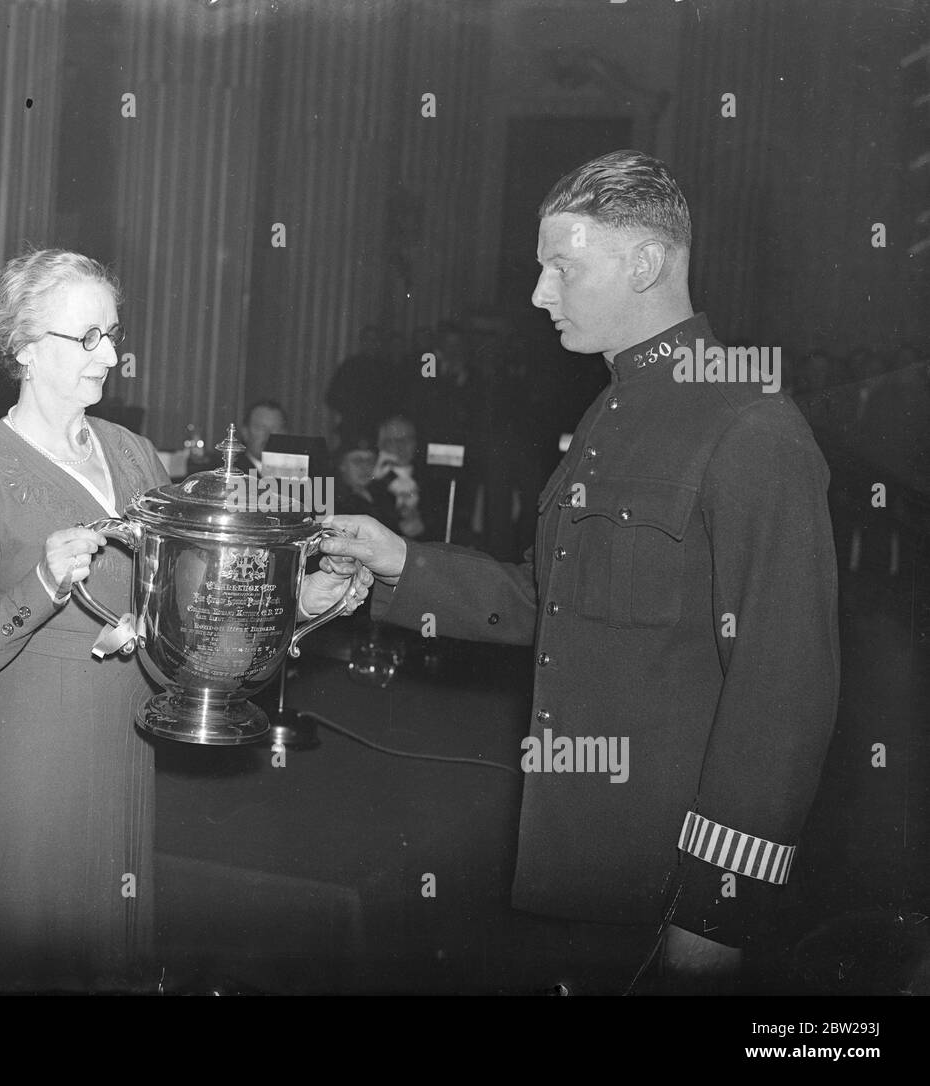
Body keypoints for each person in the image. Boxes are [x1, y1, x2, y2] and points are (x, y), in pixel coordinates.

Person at [322, 150, 840, 993]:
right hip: (578, 867)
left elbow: (786, 691)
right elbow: (551, 601)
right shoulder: (610, 407)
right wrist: (402, 564)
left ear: (644, 263)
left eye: (562, 265)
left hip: (668, 886)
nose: (538, 293)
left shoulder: (750, 425)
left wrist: (714, 912)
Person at [0, 249, 368, 991]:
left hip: (125, 740)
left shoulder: (133, 454)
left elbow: (191, 612)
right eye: (88, 337)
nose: (111, 355)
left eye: (115, 333)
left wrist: (300, 607)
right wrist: (41, 582)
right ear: (24, 348)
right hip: (29, 764)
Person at [238, 399, 287, 473]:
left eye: (276, 429)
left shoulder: (293, 476)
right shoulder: (232, 472)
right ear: (245, 433)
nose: (268, 435)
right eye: (261, 428)